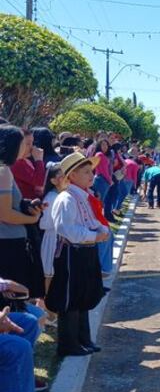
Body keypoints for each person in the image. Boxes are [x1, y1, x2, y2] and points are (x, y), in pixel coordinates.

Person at [47, 152, 109, 357]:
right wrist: (94, 236)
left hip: (84, 252)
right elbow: (68, 230)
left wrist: (102, 230)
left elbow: (90, 221)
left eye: (91, 171)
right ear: (71, 176)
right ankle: (68, 344)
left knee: (83, 297)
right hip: (71, 254)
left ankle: (83, 339)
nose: (91, 175)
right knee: (70, 299)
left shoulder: (82, 196)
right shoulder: (66, 199)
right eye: (85, 172)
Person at [0, 125, 46, 312]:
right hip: (8, 244)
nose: (27, 148)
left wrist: (26, 205)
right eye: (23, 143)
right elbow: (5, 214)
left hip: (9, 241)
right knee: (13, 302)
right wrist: (32, 219)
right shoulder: (3, 171)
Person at [40, 163, 67, 306]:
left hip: (59, 238)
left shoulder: (62, 195)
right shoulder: (51, 197)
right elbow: (44, 223)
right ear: (53, 181)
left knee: (54, 273)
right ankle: (46, 308)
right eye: (61, 176)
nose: (65, 178)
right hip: (52, 239)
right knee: (48, 274)